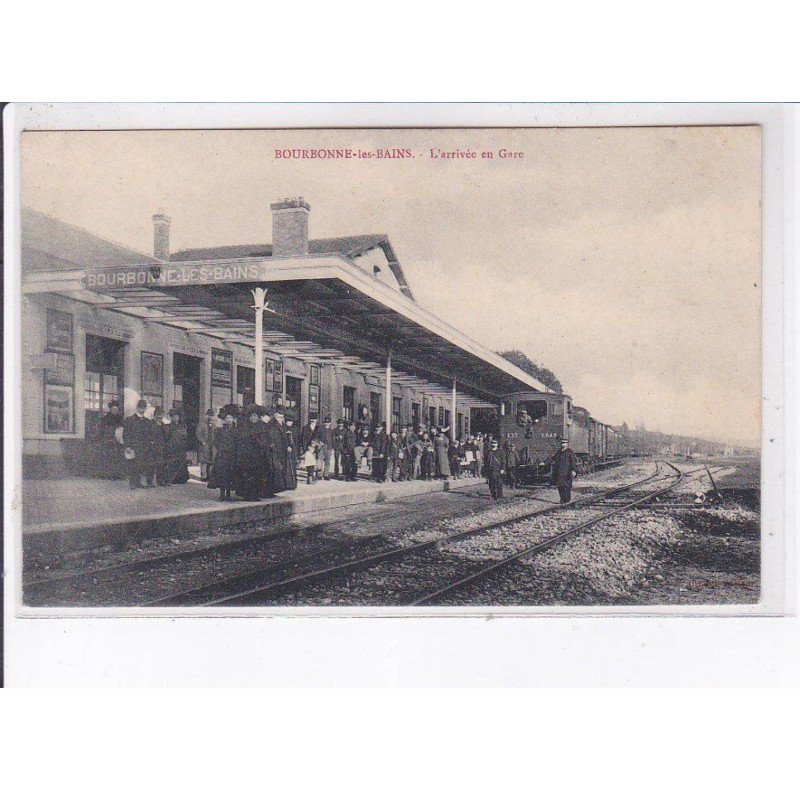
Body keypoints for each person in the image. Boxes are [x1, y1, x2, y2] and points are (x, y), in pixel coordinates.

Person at [235, 405, 269, 500]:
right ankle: (247, 495)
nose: (253, 418)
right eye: (251, 416)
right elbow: (241, 440)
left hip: (258, 455)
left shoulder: (262, 427)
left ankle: (256, 495)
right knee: (247, 475)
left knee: (258, 475)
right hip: (247, 456)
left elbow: (265, 441)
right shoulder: (244, 427)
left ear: (258, 417)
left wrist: (261, 444)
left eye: (255, 416)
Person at [122, 398, 156, 489]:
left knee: (140, 465)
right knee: (133, 465)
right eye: (140, 407)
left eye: (144, 407)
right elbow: (126, 434)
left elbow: (150, 434)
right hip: (133, 447)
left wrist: (151, 442)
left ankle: (138, 483)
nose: (142, 409)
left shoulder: (147, 421)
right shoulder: (130, 419)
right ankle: (132, 483)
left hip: (144, 447)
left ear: (145, 409)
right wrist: (128, 446)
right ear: (137, 408)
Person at [208, 411, 238, 501]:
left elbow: (237, 443)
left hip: (232, 455)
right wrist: (221, 448)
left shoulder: (236, 431)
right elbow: (215, 441)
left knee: (230, 474)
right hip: (222, 455)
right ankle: (222, 494)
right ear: (224, 420)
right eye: (227, 418)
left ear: (233, 420)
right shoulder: (219, 430)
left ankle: (228, 494)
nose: (228, 420)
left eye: (230, 418)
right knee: (221, 474)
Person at [265, 403, 292, 495]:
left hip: (282, 449)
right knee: (275, 469)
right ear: (275, 414)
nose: (281, 416)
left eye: (282, 415)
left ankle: (279, 487)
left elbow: (286, 436)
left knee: (281, 469)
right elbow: (271, 436)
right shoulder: (271, 424)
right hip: (276, 449)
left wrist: (288, 445)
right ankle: (271, 489)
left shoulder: (283, 424)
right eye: (279, 415)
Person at [98, 400, 125, 479]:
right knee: (110, 458)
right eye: (113, 409)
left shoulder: (120, 418)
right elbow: (103, 430)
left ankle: (118, 474)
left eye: (116, 409)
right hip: (109, 441)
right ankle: (110, 475)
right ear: (110, 409)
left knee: (118, 458)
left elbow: (123, 428)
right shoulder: (106, 418)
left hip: (119, 441)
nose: (115, 411)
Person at [163, 408, 190, 484]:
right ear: (171, 418)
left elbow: (185, 436)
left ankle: (181, 479)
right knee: (173, 463)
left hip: (181, 447)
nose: (175, 418)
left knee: (181, 463)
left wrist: (185, 446)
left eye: (176, 416)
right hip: (172, 448)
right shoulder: (168, 426)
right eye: (173, 416)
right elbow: (166, 438)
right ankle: (172, 479)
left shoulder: (183, 426)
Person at [551, 438, 578, 504]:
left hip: (567, 472)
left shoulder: (570, 452)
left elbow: (573, 462)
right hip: (559, 472)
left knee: (567, 486)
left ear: (567, 444)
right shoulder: (559, 451)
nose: (563, 444)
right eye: (562, 443)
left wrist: (573, 470)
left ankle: (567, 500)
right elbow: (553, 458)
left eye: (564, 443)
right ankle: (562, 499)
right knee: (560, 486)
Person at [196, 408, 216, 480]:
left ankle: (209, 476)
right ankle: (203, 476)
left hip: (211, 445)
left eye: (212, 416)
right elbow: (198, 434)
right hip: (204, 445)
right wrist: (203, 442)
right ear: (206, 415)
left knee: (210, 461)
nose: (210, 417)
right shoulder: (201, 424)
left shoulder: (213, 425)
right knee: (204, 462)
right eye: (209, 415)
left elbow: (215, 434)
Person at [284, 417, 299, 490]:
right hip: (286, 450)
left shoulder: (295, 429)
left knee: (293, 467)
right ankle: (288, 484)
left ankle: (293, 484)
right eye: (288, 421)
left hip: (293, 450)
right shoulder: (284, 428)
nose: (290, 423)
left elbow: (296, 441)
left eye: (291, 421)